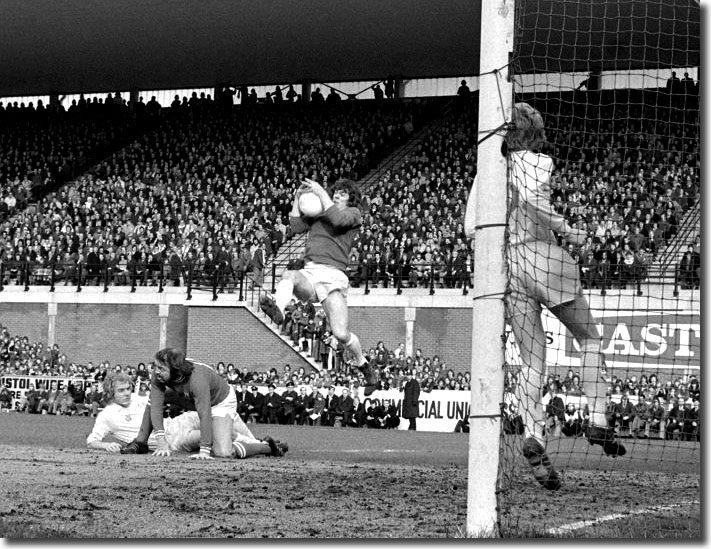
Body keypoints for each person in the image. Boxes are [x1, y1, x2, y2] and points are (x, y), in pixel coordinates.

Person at [464, 102, 625, 491]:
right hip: (543, 256)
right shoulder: (538, 162)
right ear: (534, 132)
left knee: (533, 361)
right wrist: (565, 228)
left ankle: (534, 434)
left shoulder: (487, 171)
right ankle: (599, 419)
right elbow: (537, 203)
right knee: (588, 337)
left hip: (509, 268)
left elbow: (470, 228)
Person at [259, 178, 378, 395]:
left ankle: (363, 364)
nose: (337, 195)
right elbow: (295, 226)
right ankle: (279, 310)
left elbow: (338, 220)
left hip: (334, 276)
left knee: (341, 334)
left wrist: (321, 192)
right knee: (290, 275)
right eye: (336, 192)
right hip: (311, 271)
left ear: (351, 198)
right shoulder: (321, 212)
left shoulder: (353, 214)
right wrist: (297, 198)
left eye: (342, 193)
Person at [122, 348, 283, 459]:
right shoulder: (159, 375)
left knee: (224, 452)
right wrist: (161, 442)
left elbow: (205, 414)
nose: (156, 371)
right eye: (156, 366)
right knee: (153, 399)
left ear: (176, 370)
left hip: (219, 403)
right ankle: (140, 442)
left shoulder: (197, 379)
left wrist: (205, 450)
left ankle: (266, 447)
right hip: (188, 396)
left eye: (161, 368)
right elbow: (156, 407)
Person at [89, 373, 285, 458]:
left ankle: (256, 441)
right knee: (218, 436)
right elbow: (92, 441)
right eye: (121, 390)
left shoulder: (138, 399)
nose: (126, 393)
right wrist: (105, 444)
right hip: (175, 439)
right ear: (110, 392)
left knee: (225, 413)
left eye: (128, 388)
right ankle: (265, 446)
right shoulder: (107, 415)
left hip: (178, 422)